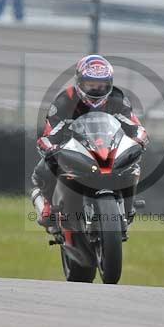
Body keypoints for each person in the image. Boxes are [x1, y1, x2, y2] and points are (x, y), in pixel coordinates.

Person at [30, 54, 148, 232]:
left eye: (101, 85)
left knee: (133, 165)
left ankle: (128, 207)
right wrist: (51, 148)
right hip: (73, 148)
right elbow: (49, 133)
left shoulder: (117, 98)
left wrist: (139, 139)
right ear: (79, 82)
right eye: (90, 85)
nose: (96, 89)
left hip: (107, 148)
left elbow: (135, 126)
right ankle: (48, 205)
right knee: (44, 168)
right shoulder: (64, 100)